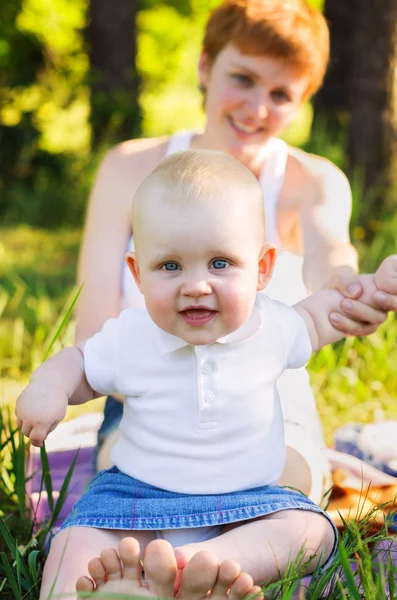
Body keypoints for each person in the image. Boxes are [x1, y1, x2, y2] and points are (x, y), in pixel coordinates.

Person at [16, 151, 397, 600]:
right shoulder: (132, 335)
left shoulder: (273, 326)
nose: (196, 285)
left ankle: (206, 565)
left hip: (248, 505)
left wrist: (376, 290)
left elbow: (330, 314)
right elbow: (80, 363)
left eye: (219, 263)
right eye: (170, 266)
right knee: (72, 542)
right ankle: (101, 590)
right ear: (138, 274)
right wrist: (49, 385)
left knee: (308, 529)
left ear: (261, 269)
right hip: (137, 499)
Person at [76, 0, 397, 504]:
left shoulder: (311, 182)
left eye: (281, 94)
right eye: (243, 79)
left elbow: (329, 256)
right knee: (125, 485)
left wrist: (352, 292)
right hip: (142, 390)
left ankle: (229, 559)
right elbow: (92, 323)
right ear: (205, 65)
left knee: (287, 486)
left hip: (265, 392)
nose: (257, 109)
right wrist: (167, 395)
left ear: (303, 100)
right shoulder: (129, 168)